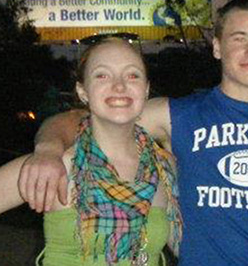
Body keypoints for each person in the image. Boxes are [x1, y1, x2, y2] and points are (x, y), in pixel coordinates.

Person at [18, 0, 248, 265]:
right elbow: (84, 118)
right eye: (239, 38)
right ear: (216, 47)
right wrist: (47, 149)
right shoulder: (176, 114)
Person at [0, 37, 182, 265]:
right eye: (102, 75)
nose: (119, 85)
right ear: (83, 91)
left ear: (145, 90)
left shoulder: (164, 168)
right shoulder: (59, 165)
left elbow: (186, 245)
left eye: (132, 75)